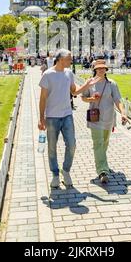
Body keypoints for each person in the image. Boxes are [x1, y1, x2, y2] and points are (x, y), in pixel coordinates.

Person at [39, 49, 101, 189]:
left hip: (67, 115)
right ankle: (55, 174)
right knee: (52, 147)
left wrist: (86, 86)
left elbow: (74, 92)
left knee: (72, 145)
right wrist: (41, 118)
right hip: (52, 117)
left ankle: (65, 171)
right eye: (69, 59)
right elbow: (42, 98)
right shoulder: (48, 75)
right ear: (60, 59)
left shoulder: (69, 73)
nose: (71, 61)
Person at [81, 59, 128, 185]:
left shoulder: (111, 84)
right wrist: (92, 98)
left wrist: (123, 113)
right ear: (94, 70)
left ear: (106, 70)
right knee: (98, 143)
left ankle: (101, 161)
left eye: (103, 68)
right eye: (98, 68)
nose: (101, 70)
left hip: (108, 119)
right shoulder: (89, 83)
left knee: (104, 143)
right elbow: (83, 98)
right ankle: (102, 171)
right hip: (95, 118)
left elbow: (117, 100)